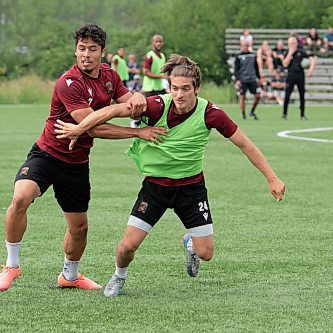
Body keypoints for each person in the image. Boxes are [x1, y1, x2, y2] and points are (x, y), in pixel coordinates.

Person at [54, 54, 286, 297]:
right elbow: (112, 110)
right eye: (175, 88)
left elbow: (245, 144)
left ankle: (191, 244)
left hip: (191, 188)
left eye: (186, 89)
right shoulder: (156, 106)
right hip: (155, 188)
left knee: (206, 253)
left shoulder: (211, 113)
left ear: (197, 88)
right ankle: (118, 276)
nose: (180, 94)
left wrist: (271, 177)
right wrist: (81, 128)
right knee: (127, 247)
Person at [0, 24, 166, 292]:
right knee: (20, 197)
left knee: (80, 228)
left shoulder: (109, 75)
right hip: (47, 154)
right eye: (81, 49)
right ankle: (11, 265)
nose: (86, 54)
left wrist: (139, 98)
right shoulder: (68, 83)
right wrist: (138, 131)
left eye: (92, 49)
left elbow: (130, 102)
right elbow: (92, 127)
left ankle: (70, 276)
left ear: (102, 52)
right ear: (75, 51)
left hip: (77, 162)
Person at [135, 34, 167, 128]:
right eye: (156, 41)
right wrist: (161, 76)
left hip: (159, 86)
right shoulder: (150, 55)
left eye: (160, 41)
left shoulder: (162, 55)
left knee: (160, 108)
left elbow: (162, 71)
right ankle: (137, 124)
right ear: (153, 43)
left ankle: (156, 127)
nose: (158, 43)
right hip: (150, 87)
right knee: (149, 110)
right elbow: (145, 72)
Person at [282, 37, 316, 120]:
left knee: (302, 95)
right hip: (291, 75)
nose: (293, 44)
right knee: (287, 95)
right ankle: (284, 114)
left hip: (300, 75)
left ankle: (302, 114)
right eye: (291, 43)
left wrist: (310, 69)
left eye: (294, 43)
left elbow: (312, 59)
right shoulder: (287, 52)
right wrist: (290, 54)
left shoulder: (301, 52)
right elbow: (285, 64)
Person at [234, 41, 261, 120]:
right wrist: (237, 79)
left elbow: (256, 68)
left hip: (252, 79)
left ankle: (252, 111)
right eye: (244, 46)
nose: (245, 47)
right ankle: (243, 114)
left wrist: (258, 78)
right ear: (241, 46)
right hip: (243, 80)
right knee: (242, 96)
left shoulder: (253, 55)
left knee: (258, 96)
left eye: (247, 46)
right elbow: (236, 69)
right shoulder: (238, 56)